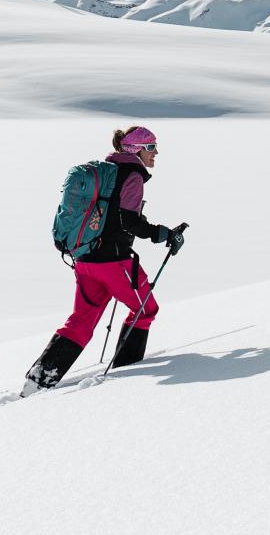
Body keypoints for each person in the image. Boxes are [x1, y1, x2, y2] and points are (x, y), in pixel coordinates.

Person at [22, 126, 186, 393]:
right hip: (114, 263)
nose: (156, 153)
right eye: (151, 147)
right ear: (136, 149)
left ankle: (39, 379)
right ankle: (128, 370)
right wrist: (164, 234)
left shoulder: (109, 172)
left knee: (81, 321)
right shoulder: (131, 175)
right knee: (146, 310)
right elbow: (128, 221)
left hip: (85, 260)